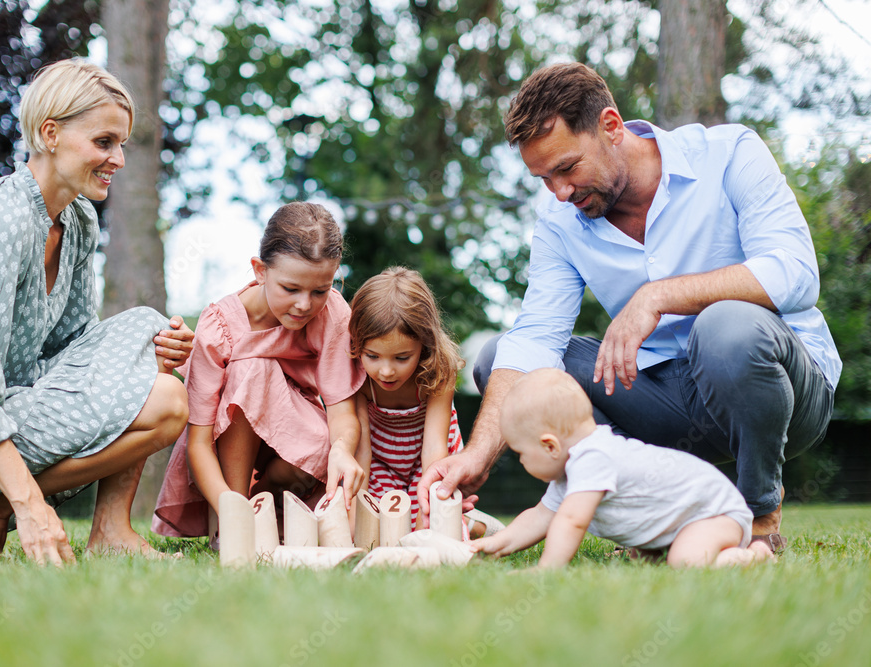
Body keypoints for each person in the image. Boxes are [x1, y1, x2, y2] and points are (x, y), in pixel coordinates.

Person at [420, 62, 840, 556]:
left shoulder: (729, 154)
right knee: (502, 362)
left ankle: (759, 518)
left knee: (726, 326)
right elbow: (536, 338)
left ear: (611, 127)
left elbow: (796, 273)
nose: (560, 193)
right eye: (544, 178)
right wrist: (479, 452)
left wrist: (658, 295)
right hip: (665, 403)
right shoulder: (560, 220)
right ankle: (646, 520)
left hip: (780, 389)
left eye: (567, 168)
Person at [0, 59, 194, 565]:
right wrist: (29, 506)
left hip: (15, 414)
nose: (118, 158)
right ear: (49, 133)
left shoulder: (77, 221)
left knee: (149, 338)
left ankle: (104, 528)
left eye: (121, 144)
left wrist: (156, 349)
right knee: (161, 397)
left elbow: (72, 351)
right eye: (103, 142)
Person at [151, 202, 365, 540]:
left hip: (295, 438)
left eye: (320, 291)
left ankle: (264, 504)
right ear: (260, 271)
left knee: (330, 441)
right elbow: (199, 443)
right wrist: (229, 507)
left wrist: (341, 450)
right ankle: (232, 520)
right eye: (290, 289)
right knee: (253, 368)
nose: (304, 305)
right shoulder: (219, 327)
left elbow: (342, 412)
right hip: (227, 444)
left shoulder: (333, 315)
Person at [471, 369, 767, 568]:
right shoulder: (571, 470)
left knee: (686, 561)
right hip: (682, 521)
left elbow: (572, 520)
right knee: (652, 559)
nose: (521, 462)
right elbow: (539, 517)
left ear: (550, 446)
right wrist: (496, 543)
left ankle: (754, 556)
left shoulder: (594, 457)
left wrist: (547, 568)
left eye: (521, 452)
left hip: (713, 513)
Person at [347, 267, 500, 536]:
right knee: (382, 528)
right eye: (372, 356)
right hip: (381, 460)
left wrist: (426, 529)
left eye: (401, 358)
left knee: (436, 527)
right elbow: (362, 453)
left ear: (425, 343)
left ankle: (472, 524)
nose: (386, 371)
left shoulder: (439, 370)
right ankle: (469, 522)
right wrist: (354, 527)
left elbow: (434, 452)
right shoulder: (356, 373)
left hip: (427, 460)